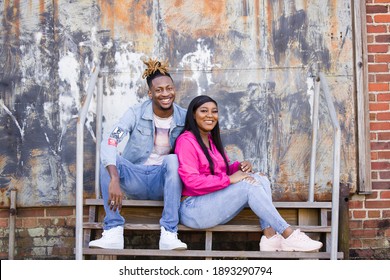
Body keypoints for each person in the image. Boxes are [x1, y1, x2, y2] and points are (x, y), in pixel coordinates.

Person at [174, 95, 323, 252]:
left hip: (211, 203)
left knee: (260, 178)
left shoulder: (212, 141)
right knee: (248, 186)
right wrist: (230, 179)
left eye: (214, 111)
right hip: (193, 209)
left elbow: (221, 170)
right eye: (204, 111)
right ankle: (289, 235)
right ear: (193, 115)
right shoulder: (186, 141)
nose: (210, 115)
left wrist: (240, 167)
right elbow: (191, 181)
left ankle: (270, 238)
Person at [89, 58, 187, 250]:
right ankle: (114, 231)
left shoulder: (184, 116)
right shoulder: (135, 113)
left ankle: (169, 233)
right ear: (150, 93)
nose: (165, 94)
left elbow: (206, 146)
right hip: (136, 177)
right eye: (159, 90)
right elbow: (111, 140)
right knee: (107, 157)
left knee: (173, 160)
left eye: (169, 88)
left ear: (174, 90)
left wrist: (232, 167)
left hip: (164, 180)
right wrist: (114, 178)